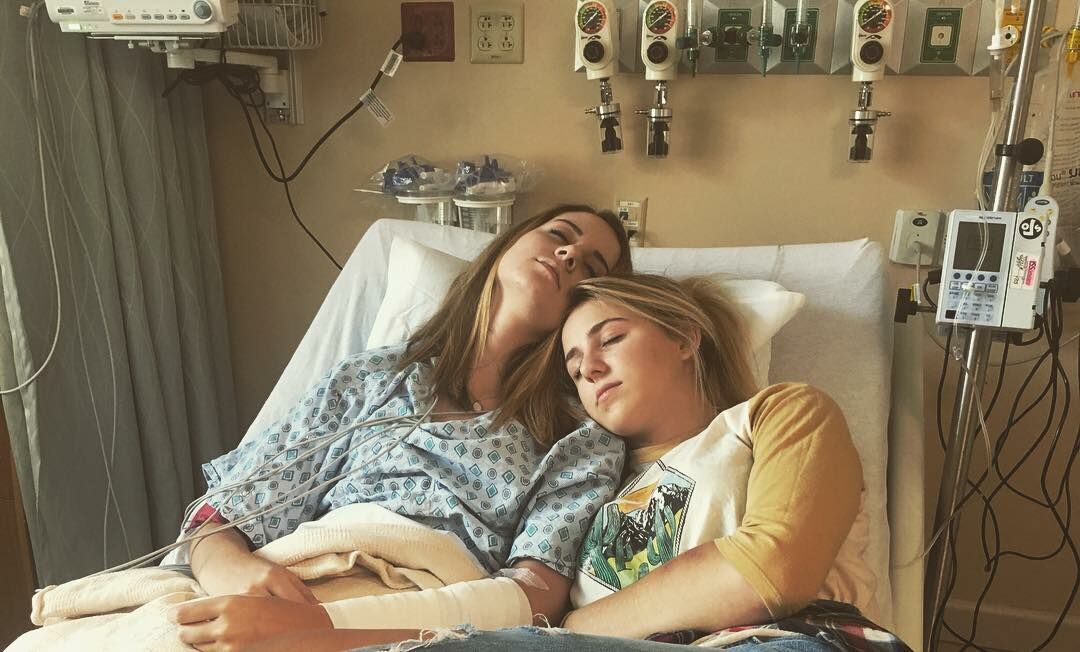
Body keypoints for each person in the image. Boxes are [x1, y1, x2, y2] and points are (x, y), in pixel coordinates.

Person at [347, 274, 908, 651]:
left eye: (610, 339)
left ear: (684, 338)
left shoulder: (777, 414)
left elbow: (771, 571)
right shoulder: (584, 486)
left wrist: (574, 627)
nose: (589, 369)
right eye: (574, 369)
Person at [166, 205, 634, 651]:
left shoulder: (579, 434)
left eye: (590, 266)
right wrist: (229, 569)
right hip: (284, 588)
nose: (568, 255)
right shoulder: (369, 378)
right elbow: (221, 514)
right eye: (558, 235)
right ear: (507, 245)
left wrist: (322, 629)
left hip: (419, 624)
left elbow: (533, 598)